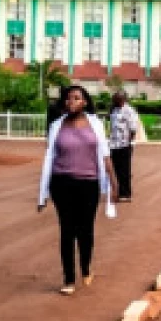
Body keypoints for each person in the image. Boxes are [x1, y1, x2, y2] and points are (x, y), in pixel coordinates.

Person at [38, 85, 119, 296]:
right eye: (68, 98)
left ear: (84, 102)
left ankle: (85, 266)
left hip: (88, 184)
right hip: (61, 183)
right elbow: (49, 158)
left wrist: (114, 182)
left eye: (76, 98)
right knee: (67, 230)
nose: (71, 101)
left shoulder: (95, 125)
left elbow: (105, 154)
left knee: (85, 230)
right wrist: (43, 193)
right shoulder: (56, 126)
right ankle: (68, 278)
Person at [109, 90, 141, 202]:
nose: (113, 101)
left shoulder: (129, 111)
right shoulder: (114, 109)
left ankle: (126, 194)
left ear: (122, 99)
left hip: (124, 144)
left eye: (116, 99)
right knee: (115, 169)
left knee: (124, 170)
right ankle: (118, 191)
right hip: (114, 144)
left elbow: (133, 128)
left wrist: (128, 143)